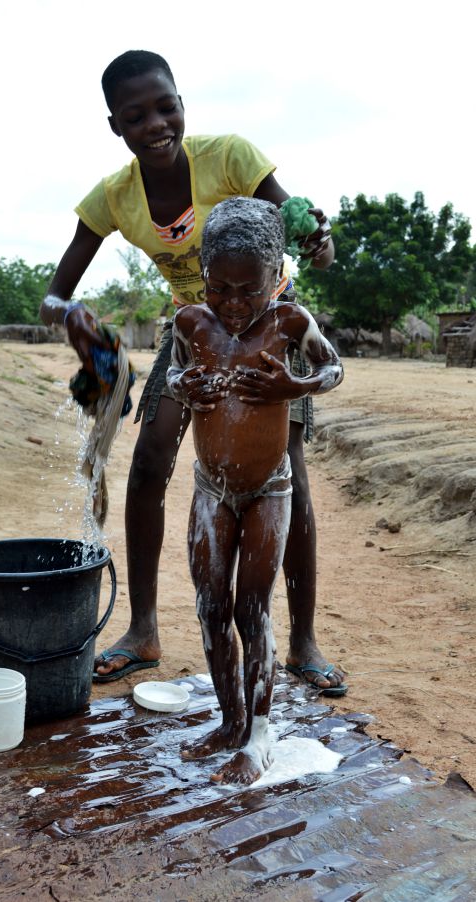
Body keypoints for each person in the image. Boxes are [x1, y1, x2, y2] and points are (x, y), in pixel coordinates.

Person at [40, 49, 347, 695]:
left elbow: (308, 234)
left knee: (285, 469)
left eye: (165, 106)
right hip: (195, 331)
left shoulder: (231, 157)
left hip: (271, 327)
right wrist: (88, 335)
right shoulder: (114, 198)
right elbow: (55, 294)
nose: (155, 123)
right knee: (151, 460)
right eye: (136, 115)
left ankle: (303, 642)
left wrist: (318, 239)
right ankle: (143, 629)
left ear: (181, 103)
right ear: (115, 126)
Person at [167, 197, 344, 783]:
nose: (235, 303)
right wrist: (185, 385)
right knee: (211, 605)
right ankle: (229, 720)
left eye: (251, 289)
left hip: (270, 488)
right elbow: (173, 374)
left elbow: (333, 369)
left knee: (253, 607)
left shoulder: (290, 322)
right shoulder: (191, 323)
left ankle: (259, 738)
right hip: (210, 489)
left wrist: (293, 386)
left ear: (277, 276)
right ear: (204, 276)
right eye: (221, 288)